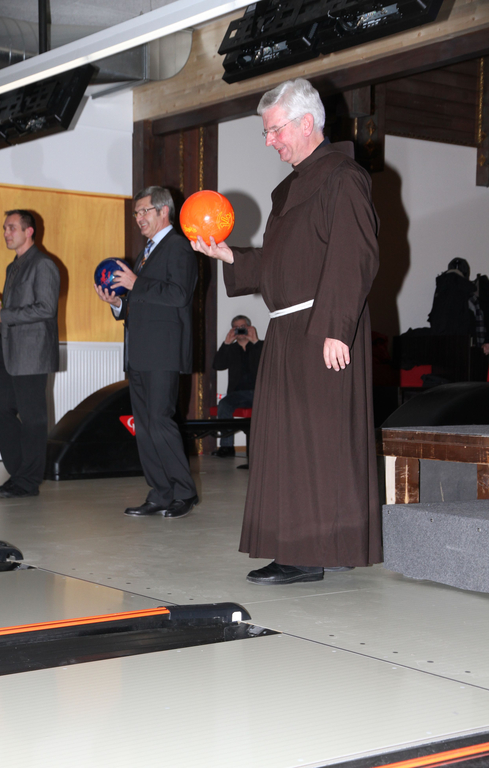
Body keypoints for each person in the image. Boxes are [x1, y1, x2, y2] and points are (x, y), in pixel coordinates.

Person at [192, 78, 382, 585]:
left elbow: (356, 253)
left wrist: (336, 327)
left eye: (274, 130)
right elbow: (280, 265)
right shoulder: (294, 187)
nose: (270, 141)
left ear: (306, 122)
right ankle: (332, 544)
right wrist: (229, 255)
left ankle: (303, 554)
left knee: (313, 442)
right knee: (295, 442)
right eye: (266, 132)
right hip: (289, 329)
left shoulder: (342, 176)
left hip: (321, 328)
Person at [94, 186, 198, 519]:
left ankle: (184, 492)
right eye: (136, 213)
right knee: (145, 425)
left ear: (164, 211)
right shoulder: (146, 253)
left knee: (160, 422)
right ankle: (160, 492)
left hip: (163, 351)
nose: (138, 218)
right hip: (140, 351)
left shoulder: (178, 246)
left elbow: (179, 295)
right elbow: (143, 302)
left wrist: (135, 283)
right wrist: (118, 303)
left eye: (144, 211)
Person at [0, 210, 60, 498]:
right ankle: (20, 475)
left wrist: (3, 315)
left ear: (29, 231)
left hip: (31, 353)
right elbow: (14, 313)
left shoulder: (43, 264)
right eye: (4, 228)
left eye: (12, 228)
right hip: (4, 350)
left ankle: (27, 482)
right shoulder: (12, 267)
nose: (6, 233)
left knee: (33, 419)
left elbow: (46, 308)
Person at [212, 314, 263, 457]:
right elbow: (217, 365)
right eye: (236, 327)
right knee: (224, 405)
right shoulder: (231, 349)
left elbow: (269, 363)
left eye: (243, 327)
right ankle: (226, 447)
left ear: (250, 328)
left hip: (259, 393)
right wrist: (226, 343)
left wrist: (255, 341)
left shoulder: (260, 346)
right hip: (236, 394)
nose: (240, 330)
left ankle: (265, 448)